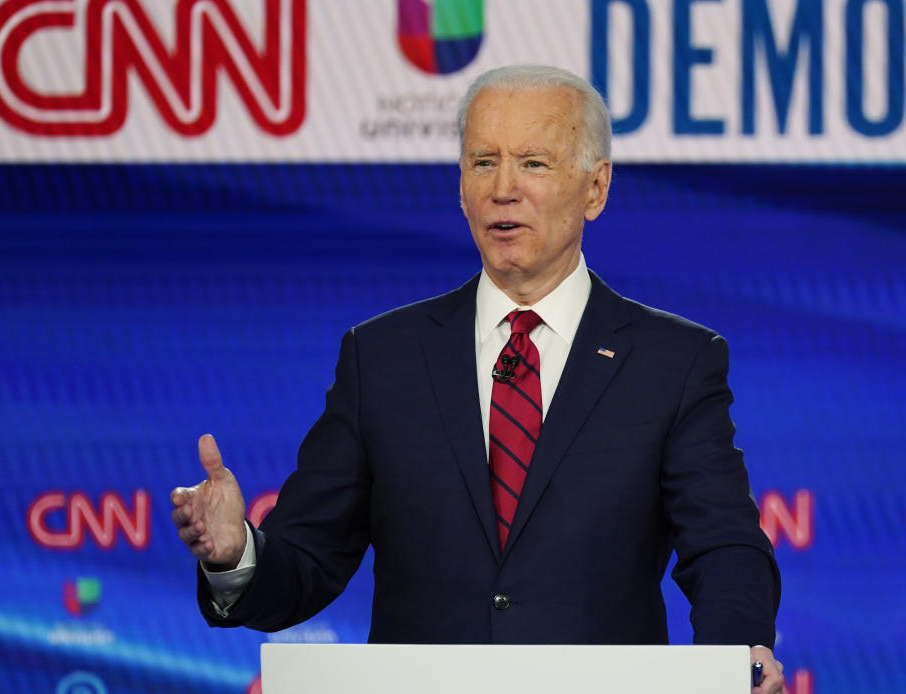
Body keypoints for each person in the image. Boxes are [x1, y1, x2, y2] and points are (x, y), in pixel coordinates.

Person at [171, 64, 785, 693]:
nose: (503, 189)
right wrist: (235, 555)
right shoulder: (382, 358)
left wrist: (734, 655)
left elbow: (723, 546)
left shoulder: (673, 362)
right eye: (483, 162)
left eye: (534, 164)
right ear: (461, 187)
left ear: (596, 188)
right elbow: (306, 562)